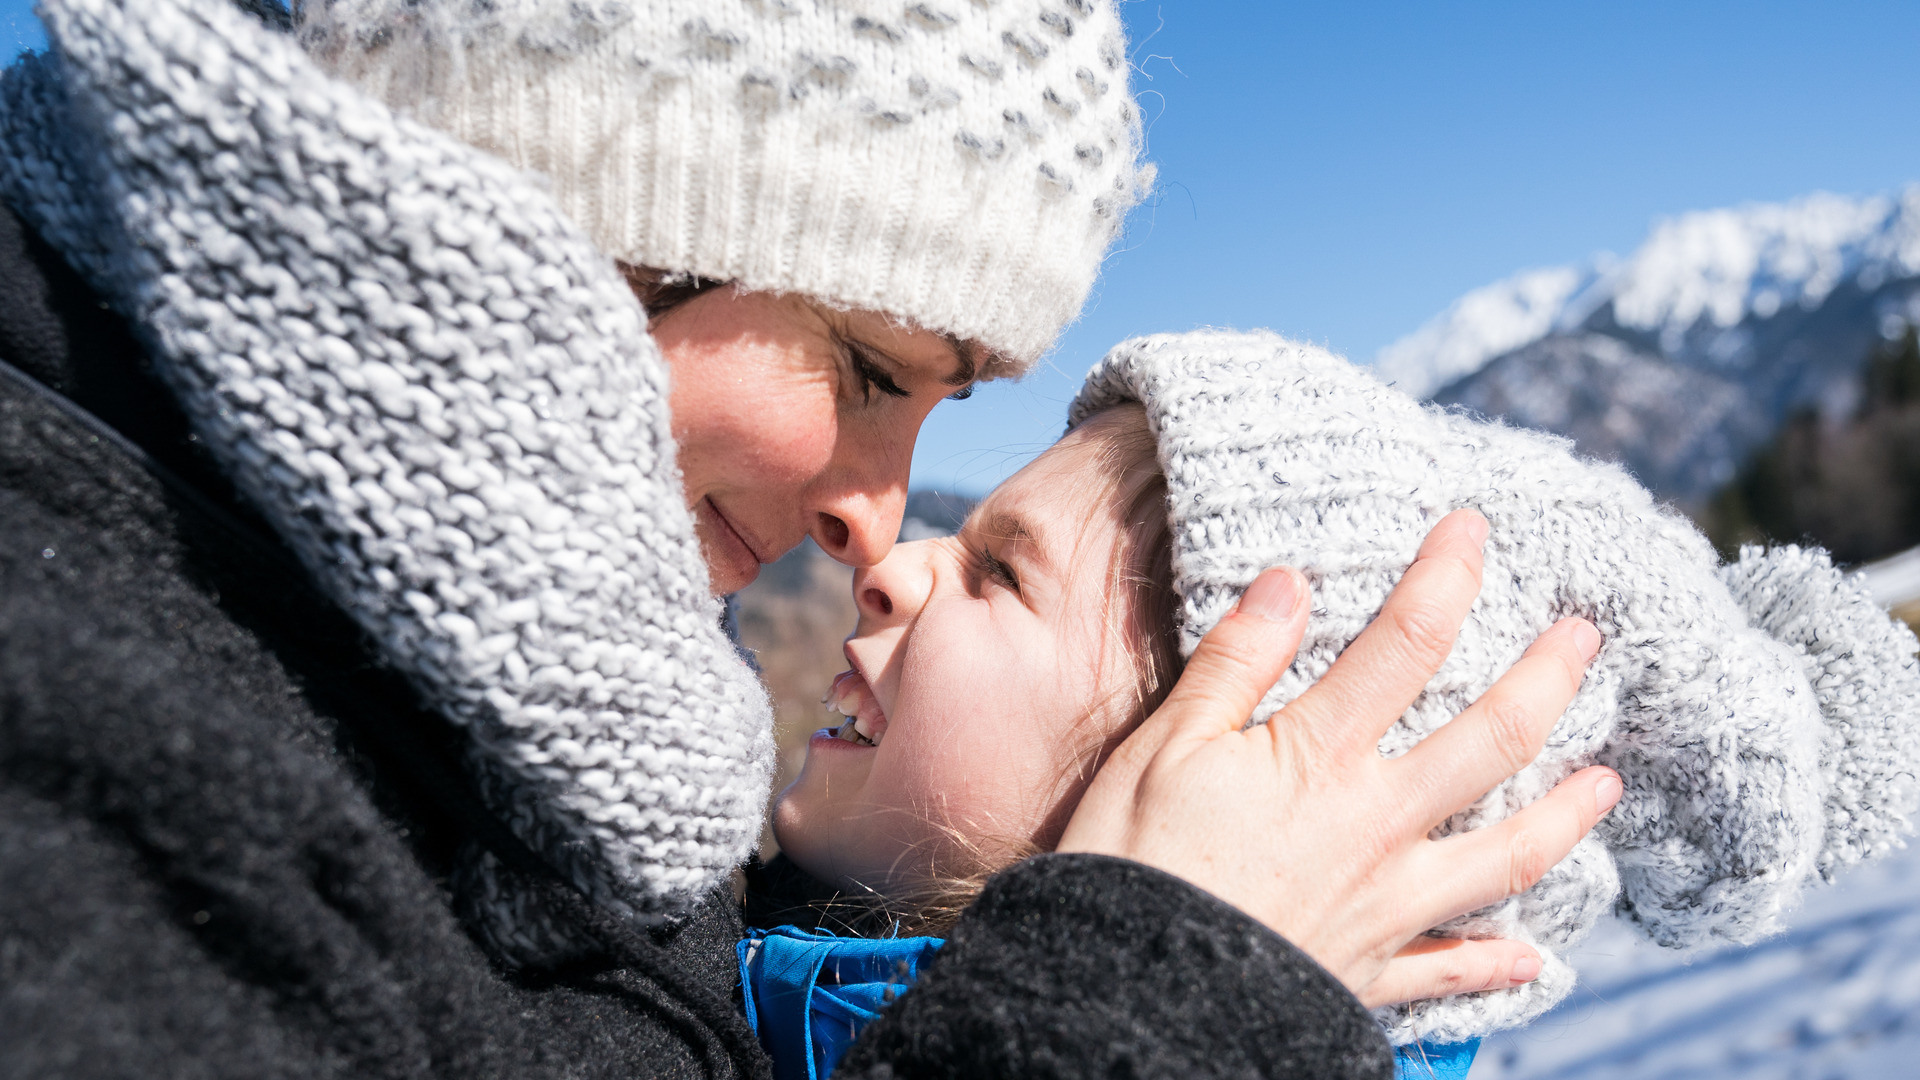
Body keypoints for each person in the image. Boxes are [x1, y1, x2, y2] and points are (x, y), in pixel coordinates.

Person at [0, 2, 1617, 1077]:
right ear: (555, 202)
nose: (870, 522)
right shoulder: (87, 728)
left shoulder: (535, 697)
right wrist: (1174, 984)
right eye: (864, 367)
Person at [747, 332, 1920, 1080]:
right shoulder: (703, 954)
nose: (892, 564)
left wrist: (1149, 972)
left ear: (1234, 802)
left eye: (1000, 574)